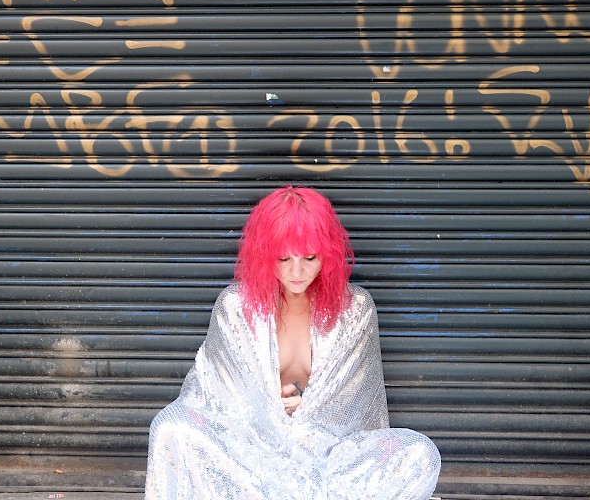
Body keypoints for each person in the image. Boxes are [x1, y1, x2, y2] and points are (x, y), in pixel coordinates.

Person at [145, 186, 440, 500]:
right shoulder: (235, 306)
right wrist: (270, 436)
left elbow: (358, 411)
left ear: (328, 253)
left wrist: (306, 439)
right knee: (170, 428)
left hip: (328, 456)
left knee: (420, 452)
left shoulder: (355, 308)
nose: (296, 272)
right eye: (283, 258)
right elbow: (211, 396)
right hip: (252, 454)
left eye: (309, 257)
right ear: (263, 253)